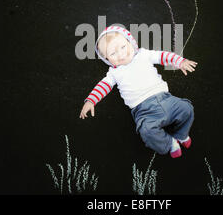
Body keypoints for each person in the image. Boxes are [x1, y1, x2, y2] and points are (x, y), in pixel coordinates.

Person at [79, 25, 197, 158]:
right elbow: (103, 86)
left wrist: (179, 62)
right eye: (113, 53)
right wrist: (91, 100)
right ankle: (169, 143)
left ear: (131, 42)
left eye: (123, 47)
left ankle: (181, 135)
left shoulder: (143, 54)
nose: (121, 54)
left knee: (187, 108)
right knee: (146, 131)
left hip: (166, 99)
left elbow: (162, 56)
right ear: (106, 59)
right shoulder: (114, 72)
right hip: (144, 111)